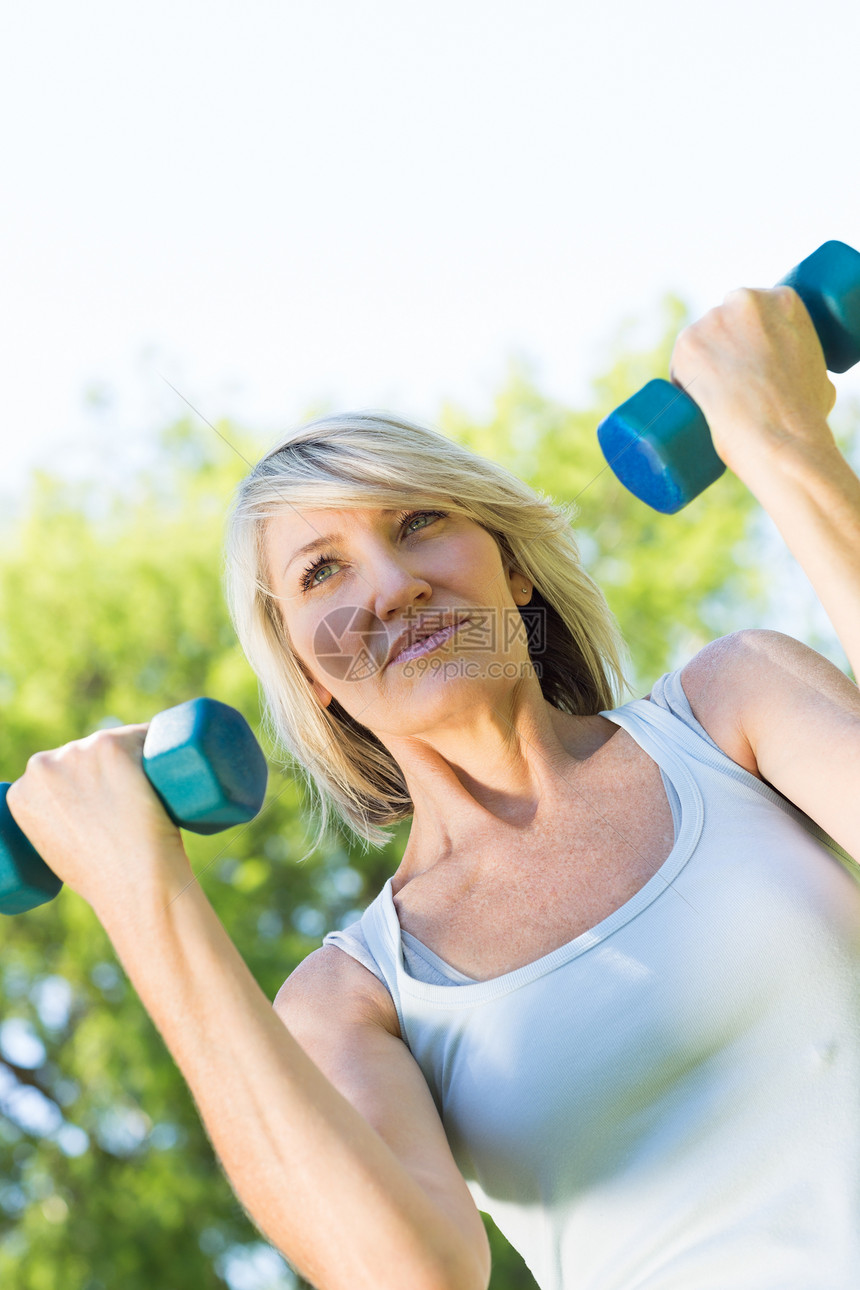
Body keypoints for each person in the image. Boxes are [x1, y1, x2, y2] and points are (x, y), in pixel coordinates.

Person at [7, 283, 860, 1289]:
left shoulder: (729, 706)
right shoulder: (351, 999)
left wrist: (783, 447)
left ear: (513, 574)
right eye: (322, 573)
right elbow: (405, 1276)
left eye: (417, 523)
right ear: (310, 677)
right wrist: (141, 899)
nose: (389, 585)